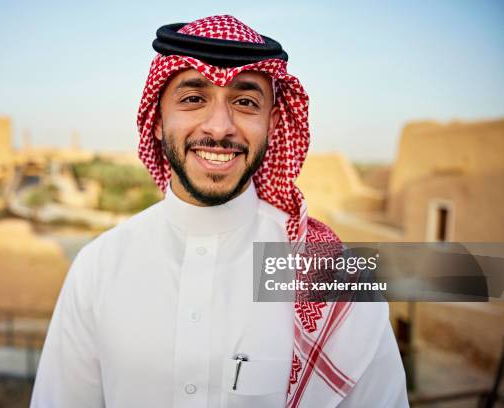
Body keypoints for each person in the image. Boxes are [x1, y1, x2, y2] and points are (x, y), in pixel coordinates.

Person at [30, 15, 408, 407]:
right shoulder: (99, 267)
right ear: (158, 120)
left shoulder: (332, 278)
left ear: (273, 123)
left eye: (245, 102)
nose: (219, 127)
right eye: (193, 99)